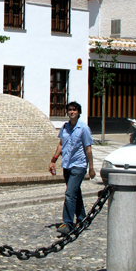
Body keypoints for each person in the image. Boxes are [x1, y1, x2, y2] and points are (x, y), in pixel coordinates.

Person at [49, 101, 96, 236]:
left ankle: (68, 223)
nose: (72, 112)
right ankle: (82, 219)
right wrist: (53, 161)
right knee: (75, 193)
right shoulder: (65, 127)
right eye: (70, 110)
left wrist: (91, 168)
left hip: (79, 165)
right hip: (67, 165)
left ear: (79, 112)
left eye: (74, 110)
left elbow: (88, 148)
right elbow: (60, 145)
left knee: (70, 194)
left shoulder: (83, 128)